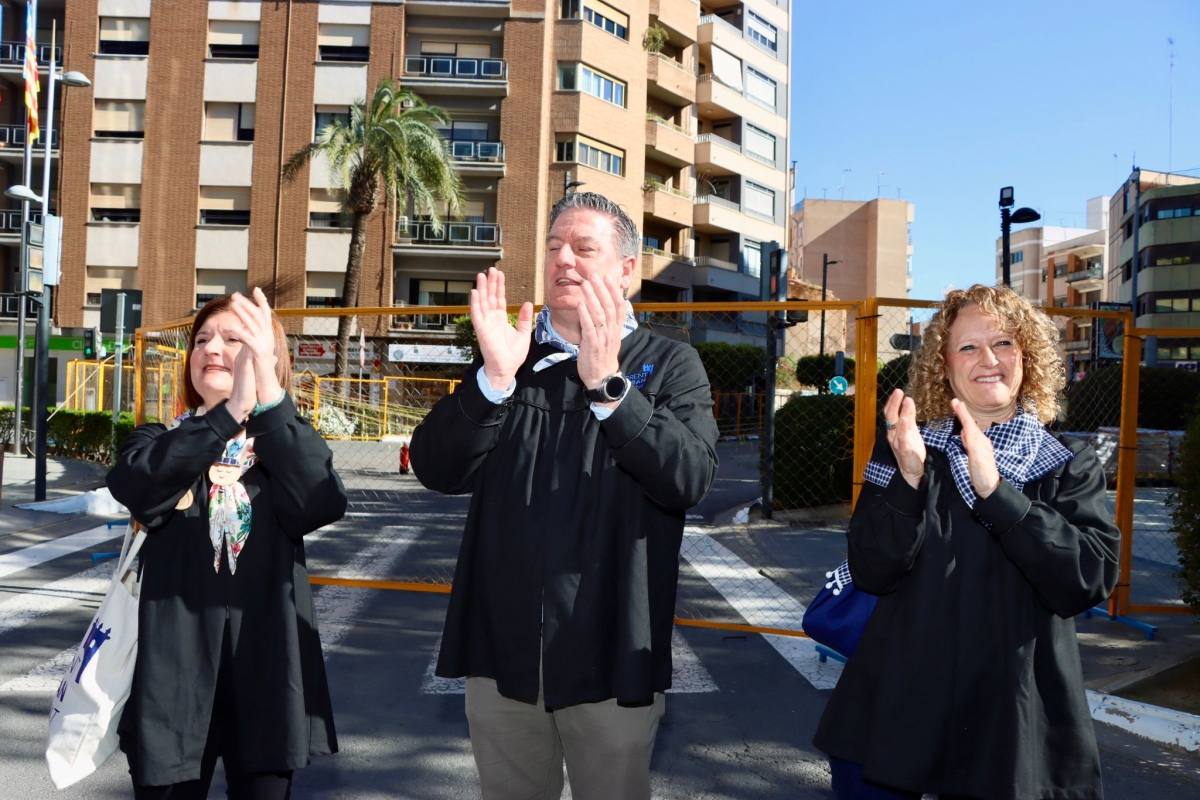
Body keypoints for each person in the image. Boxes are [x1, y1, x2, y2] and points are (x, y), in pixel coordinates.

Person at [410, 191, 720, 799]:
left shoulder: (669, 364)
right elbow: (435, 467)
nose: (564, 261)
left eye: (584, 248)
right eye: (554, 248)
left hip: (611, 655)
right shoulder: (511, 360)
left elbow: (689, 479)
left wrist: (610, 389)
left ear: (627, 270)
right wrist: (493, 381)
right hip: (501, 653)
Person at [814, 284, 1120, 800]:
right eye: (968, 346)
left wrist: (997, 494)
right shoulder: (905, 447)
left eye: (1003, 343)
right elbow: (872, 569)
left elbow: (1088, 580)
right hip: (896, 714)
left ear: (1028, 357)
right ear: (944, 364)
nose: (988, 360)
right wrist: (909, 481)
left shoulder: (1066, 463)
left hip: (1011, 722)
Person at [107, 289, 345, 799]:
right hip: (169, 678)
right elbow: (138, 486)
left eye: (234, 339)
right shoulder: (155, 439)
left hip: (266, 672)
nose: (212, 348)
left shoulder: (285, 443)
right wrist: (227, 413)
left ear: (266, 358)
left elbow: (322, 501)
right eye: (203, 340)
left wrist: (264, 405)